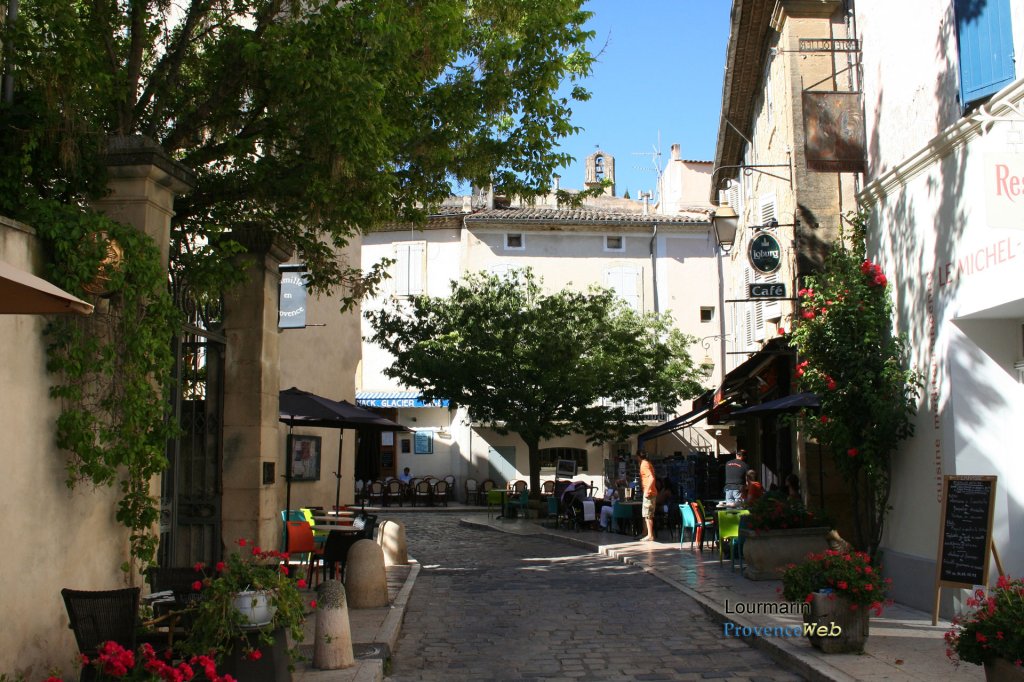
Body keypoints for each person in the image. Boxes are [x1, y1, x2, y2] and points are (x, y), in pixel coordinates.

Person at [636, 450, 658, 541]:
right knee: (646, 514)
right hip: (651, 492)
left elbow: (651, 477)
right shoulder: (647, 463)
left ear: (638, 456)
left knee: (648, 515)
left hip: (649, 493)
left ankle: (650, 535)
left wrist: (647, 490)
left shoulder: (644, 464)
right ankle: (645, 533)